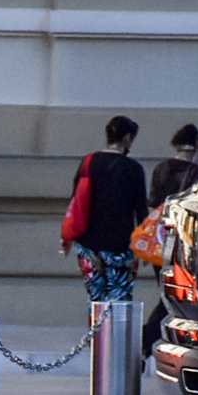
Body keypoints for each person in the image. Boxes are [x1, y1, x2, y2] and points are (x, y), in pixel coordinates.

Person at [63, 116, 151, 305]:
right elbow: (142, 211)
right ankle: (115, 335)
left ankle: (97, 335)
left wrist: (67, 237)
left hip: (87, 244)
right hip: (120, 246)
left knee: (95, 300)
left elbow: (75, 201)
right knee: (119, 301)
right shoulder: (133, 168)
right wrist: (147, 246)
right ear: (128, 138)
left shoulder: (88, 162)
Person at [149, 123, 198, 207]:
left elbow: (152, 203)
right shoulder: (194, 170)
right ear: (196, 146)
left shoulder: (160, 168)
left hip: (161, 216)